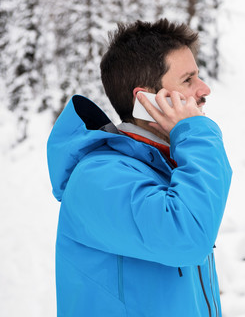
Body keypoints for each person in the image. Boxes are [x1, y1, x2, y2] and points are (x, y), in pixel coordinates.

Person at [47, 19, 233, 316]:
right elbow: (186, 237)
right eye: (188, 80)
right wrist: (196, 132)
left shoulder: (166, 169)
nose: (204, 89)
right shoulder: (98, 178)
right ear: (146, 101)